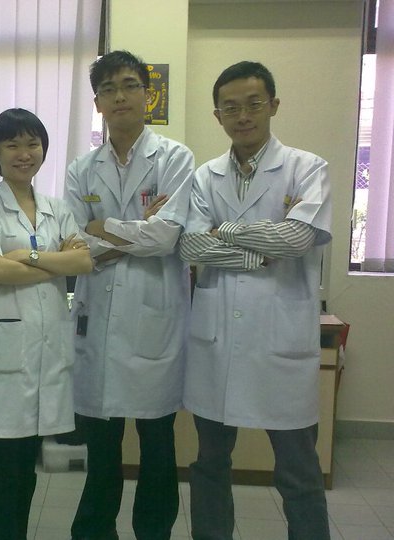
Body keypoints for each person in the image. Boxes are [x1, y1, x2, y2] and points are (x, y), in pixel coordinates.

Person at [180, 61, 332, 540]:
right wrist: (258, 253)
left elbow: (298, 239)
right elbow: (190, 246)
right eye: (230, 108)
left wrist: (225, 229)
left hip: (279, 344)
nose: (242, 116)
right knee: (209, 465)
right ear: (217, 115)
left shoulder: (307, 168)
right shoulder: (205, 176)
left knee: (298, 472)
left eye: (253, 104)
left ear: (273, 106)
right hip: (217, 344)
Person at [63, 50, 194, 540]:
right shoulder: (81, 168)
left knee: (158, 444)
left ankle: (153, 532)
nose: (120, 96)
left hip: (153, 319)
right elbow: (75, 243)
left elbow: (168, 237)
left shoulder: (175, 159)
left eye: (130, 85)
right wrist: (135, 230)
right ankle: (95, 531)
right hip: (98, 317)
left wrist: (105, 228)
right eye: (109, 89)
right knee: (102, 448)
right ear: (97, 102)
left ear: (147, 95)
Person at [0, 108, 93, 539]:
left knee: (28, 466)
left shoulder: (56, 208)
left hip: (47, 349)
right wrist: (53, 264)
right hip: (4, 350)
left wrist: (27, 256)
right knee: (3, 467)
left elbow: (83, 262)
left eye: (32, 143)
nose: (24, 153)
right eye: (12, 144)